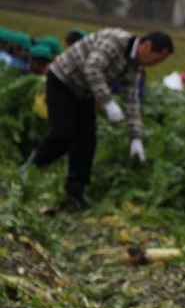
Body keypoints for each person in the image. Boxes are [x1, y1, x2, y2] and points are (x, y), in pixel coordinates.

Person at [20, 28, 172, 211]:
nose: (155, 64)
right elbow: (92, 68)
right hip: (63, 81)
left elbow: (131, 99)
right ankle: (29, 169)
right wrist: (108, 102)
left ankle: (75, 193)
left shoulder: (133, 67)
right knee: (63, 135)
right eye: (157, 59)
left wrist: (136, 137)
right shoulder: (115, 41)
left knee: (87, 142)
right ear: (147, 46)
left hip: (85, 92)